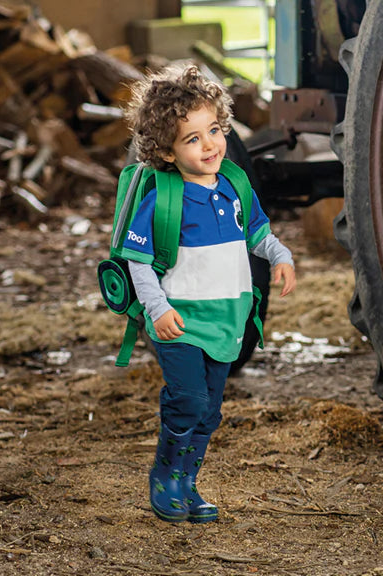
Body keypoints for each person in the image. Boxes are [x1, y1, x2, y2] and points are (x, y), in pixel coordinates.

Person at [120, 64, 296, 523]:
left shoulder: (235, 185)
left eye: (214, 130)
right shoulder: (163, 198)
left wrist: (280, 256)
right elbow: (137, 260)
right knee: (189, 400)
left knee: (211, 410)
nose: (211, 145)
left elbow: (256, 234)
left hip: (226, 320)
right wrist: (155, 308)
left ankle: (188, 483)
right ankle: (165, 477)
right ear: (167, 151)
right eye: (192, 139)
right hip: (178, 319)